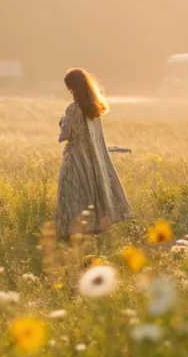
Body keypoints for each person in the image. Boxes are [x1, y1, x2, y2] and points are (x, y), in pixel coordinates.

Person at [56, 68, 132, 239]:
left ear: (73, 88)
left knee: (75, 197)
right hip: (93, 161)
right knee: (91, 195)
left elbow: (64, 136)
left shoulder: (73, 109)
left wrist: (61, 123)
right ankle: (93, 233)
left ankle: (74, 236)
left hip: (75, 161)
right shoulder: (94, 109)